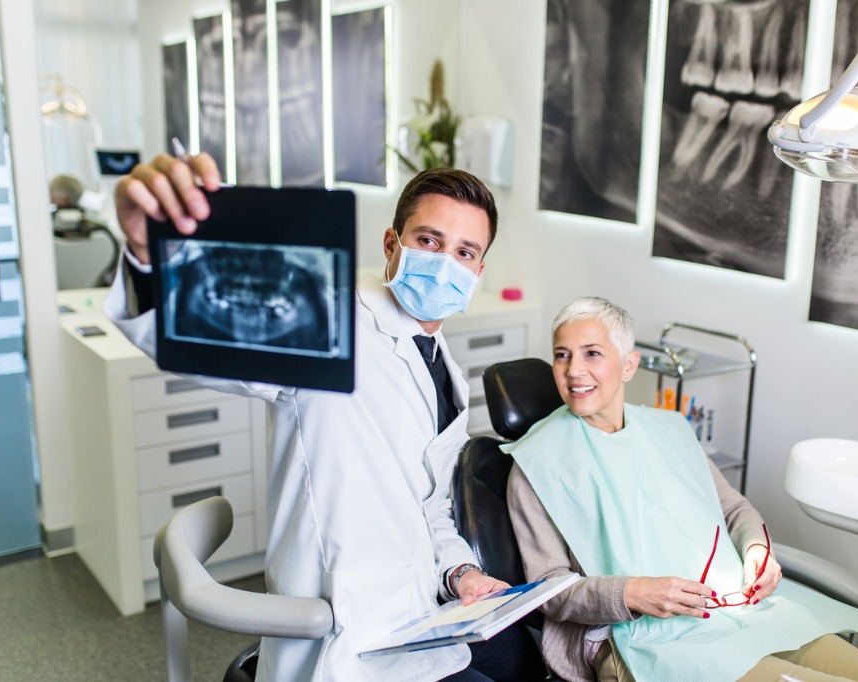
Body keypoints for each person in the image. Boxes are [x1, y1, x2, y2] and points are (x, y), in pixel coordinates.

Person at [106, 153, 544, 682]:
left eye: (464, 251)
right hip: (342, 628)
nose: (445, 262)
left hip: (421, 613)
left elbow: (430, 506)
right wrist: (143, 253)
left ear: (477, 270)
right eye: (429, 241)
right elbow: (211, 337)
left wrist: (461, 571)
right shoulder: (331, 323)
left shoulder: (444, 368)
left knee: (528, 660)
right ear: (392, 245)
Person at [504, 297, 858, 682]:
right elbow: (549, 591)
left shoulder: (670, 430)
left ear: (629, 365)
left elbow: (733, 508)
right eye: (562, 354)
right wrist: (632, 593)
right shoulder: (537, 465)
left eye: (592, 353)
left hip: (737, 615)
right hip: (640, 642)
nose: (574, 370)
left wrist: (756, 549)